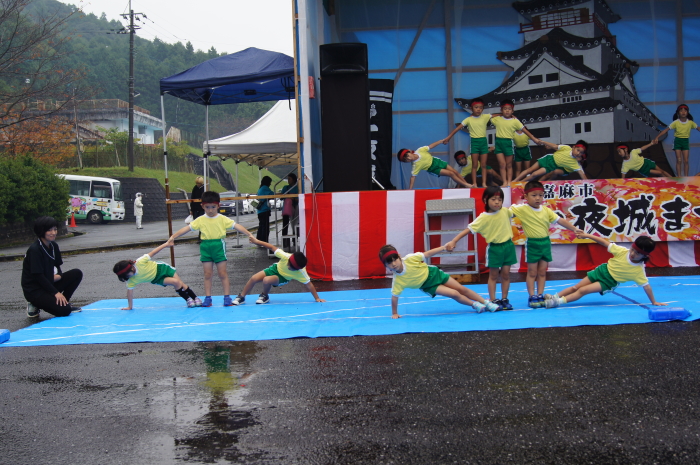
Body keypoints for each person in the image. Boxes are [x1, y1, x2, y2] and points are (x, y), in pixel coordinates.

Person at [168, 191, 254, 307]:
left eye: (213, 207)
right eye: (207, 207)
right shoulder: (200, 219)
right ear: (202, 206)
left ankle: (227, 297)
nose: (210, 210)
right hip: (205, 246)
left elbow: (236, 226)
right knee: (207, 274)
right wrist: (173, 236)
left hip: (218, 246)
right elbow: (187, 228)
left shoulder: (222, 218)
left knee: (222, 273)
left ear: (218, 206)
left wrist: (249, 234)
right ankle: (208, 298)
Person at [510, 181, 583, 308]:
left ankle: (540, 294)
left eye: (540, 195)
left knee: (542, 272)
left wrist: (574, 229)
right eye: (534, 195)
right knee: (532, 272)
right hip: (532, 244)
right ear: (526, 196)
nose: (537, 198)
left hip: (545, 243)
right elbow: (504, 213)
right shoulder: (521, 209)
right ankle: (532, 296)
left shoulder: (546, 210)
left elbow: (560, 220)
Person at [544, 235, 667, 308]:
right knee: (576, 287)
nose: (633, 254)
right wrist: (587, 235)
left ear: (645, 256)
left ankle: (557, 302)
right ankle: (555, 296)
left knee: (583, 290)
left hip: (608, 282)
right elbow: (603, 242)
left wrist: (654, 301)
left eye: (638, 253)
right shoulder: (622, 251)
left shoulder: (638, 270)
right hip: (602, 271)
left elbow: (647, 286)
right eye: (633, 250)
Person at [379, 244, 499, 319]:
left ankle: (486, 302)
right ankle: (474, 305)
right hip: (428, 286)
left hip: (434, 274)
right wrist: (394, 313)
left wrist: (444, 247)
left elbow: (428, 254)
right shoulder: (397, 281)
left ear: (399, 256)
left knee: (461, 288)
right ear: (385, 266)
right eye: (389, 262)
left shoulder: (410, 259)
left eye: (395, 259)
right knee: (454, 293)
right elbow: (394, 297)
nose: (393, 264)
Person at [446, 186, 515, 309]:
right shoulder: (483, 217)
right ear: (485, 200)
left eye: (500, 199)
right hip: (495, 249)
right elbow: (468, 229)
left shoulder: (505, 211)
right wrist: (454, 240)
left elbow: (520, 211)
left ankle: (505, 299)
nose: (497, 202)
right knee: (493, 275)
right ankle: (493, 300)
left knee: (506, 274)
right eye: (493, 199)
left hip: (509, 246)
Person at [231, 236, 326, 305]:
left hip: (282, 278)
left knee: (266, 280)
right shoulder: (286, 256)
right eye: (288, 263)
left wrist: (317, 298)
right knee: (253, 278)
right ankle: (242, 297)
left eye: (290, 267)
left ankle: (264, 295)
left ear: (296, 269)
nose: (288, 266)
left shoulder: (301, 273)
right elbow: (271, 247)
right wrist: (256, 241)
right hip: (275, 268)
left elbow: (309, 284)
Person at [21, 216, 83, 318]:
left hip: (48, 282)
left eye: (55, 229)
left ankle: (64, 301)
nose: (53, 233)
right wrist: (56, 293)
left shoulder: (54, 246)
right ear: (41, 231)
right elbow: (38, 276)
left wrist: (59, 275)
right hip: (35, 290)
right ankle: (34, 304)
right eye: (49, 230)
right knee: (65, 311)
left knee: (77, 273)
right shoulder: (35, 250)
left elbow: (57, 266)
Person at [112, 241, 202, 310]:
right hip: (156, 279)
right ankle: (188, 299)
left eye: (127, 275)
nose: (128, 277)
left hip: (162, 268)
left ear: (131, 268)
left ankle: (195, 298)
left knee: (180, 283)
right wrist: (130, 307)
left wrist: (166, 244)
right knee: (176, 282)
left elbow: (153, 252)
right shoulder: (131, 281)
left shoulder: (140, 261)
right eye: (126, 277)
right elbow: (130, 293)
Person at [442, 98, 498, 188]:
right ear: (471, 108)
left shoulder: (485, 116)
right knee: (474, 165)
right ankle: (474, 184)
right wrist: (448, 138)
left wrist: (510, 116)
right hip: (474, 143)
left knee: (483, 164)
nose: (478, 109)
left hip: (483, 142)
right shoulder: (468, 119)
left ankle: (484, 183)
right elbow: (457, 128)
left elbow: (496, 115)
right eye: (476, 107)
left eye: (480, 107)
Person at [490, 100, 540, 186]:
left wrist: (534, 139)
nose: (507, 111)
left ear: (512, 111)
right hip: (498, 142)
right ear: (501, 110)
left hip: (508, 142)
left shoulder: (515, 121)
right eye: (505, 109)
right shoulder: (497, 119)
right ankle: (504, 182)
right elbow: (489, 116)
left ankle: (510, 181)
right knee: (502, 164)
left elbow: (525, 130)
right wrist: (500, 114)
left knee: (509, 165)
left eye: (509, 109)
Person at [397, 140, 472, 189]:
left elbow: (431, 146)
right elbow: (413, 177)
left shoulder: (420, 150)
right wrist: (410, 189)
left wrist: (441, 141)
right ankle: (466, 185)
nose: (409, 159)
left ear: (409, 151)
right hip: (433, 169)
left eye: (407, 156)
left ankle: (467, 185)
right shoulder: (415, 165)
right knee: (451, 174)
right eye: (406, 160)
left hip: (437, 161)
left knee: (455, 171)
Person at [654, 104, 700, 177]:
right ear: (678, 113)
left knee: (686, 160)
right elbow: (666, 130)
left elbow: (698, 128)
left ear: (687, 112)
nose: (683, 112)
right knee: (679, 160)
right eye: (681, 111)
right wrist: (657, 137)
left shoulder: (690, 122)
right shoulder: (676, 122)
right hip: (677, 141)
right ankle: (679, 176)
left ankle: (686, 177)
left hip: (685, 141)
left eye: (685, 111)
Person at [513, 139, 589, 183]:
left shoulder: (575, 164)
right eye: (578, 150)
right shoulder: (567, 148)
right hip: (548, 159)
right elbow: (555, 146)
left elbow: (582, 175)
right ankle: (514, 181)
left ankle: (521, 183)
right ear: (573, 147)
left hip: (551, 166)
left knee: (535, 174)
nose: (578, 153)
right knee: (530, 169)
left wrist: (590, 184)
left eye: (581, 153)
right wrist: (543, 142)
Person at [250, 176, 274, 244]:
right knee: (265, 227)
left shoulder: (260, 188)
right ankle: (264, 241)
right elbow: (272, 194)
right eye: (270, 182)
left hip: (260, 211)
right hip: (264, 210)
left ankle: (259, 240)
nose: (270, 184)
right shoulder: (265, 188)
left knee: (261, 226)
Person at [280, 173, 299, 251]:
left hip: (295, 207)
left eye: (289, 179)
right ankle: (284, 242)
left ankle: (295, 240)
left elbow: (299, 198)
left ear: (294, 180)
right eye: (288, 179)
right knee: (285, 224)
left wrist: (292, 198)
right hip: (287, 208)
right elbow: (281, 197)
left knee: (295, 224)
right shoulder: (285, 187)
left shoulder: (298, 188)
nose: (288, 180)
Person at [190, 176, 205, 242]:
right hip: (195, 208)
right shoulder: (195, 188)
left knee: (202, 222)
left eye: (199, 183)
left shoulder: (204, 188)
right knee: (197, 222)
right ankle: (200, 236)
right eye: (197, 183)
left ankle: (201, 237)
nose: (198, 185)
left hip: (202, 208)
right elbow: (192, 198)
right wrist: (191, 209)